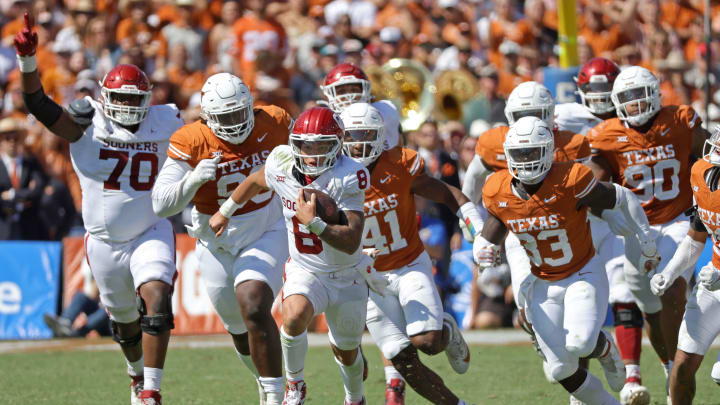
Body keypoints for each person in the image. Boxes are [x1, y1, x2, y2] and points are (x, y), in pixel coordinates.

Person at [14, 14, 184, 405]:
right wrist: (28, 61)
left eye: (133, 99)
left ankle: (153, 391)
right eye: (119, 98)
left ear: (147, 101)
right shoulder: (85, 124)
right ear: (106, 99)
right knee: (124, 323)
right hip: (103, 240)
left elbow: (207, 132)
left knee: (157, 297)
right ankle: (136, 374)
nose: (126, 106)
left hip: (149, 229)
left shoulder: (166, 121)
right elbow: (37, 103)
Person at [475, 116, 657, 405]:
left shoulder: (571, 178)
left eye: (532, 152)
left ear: (548, 151)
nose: (525, 160)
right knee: (560, 368)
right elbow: (490, 231)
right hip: (542, 282)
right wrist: (481, 248)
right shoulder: (498, 190)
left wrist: (643, 233)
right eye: (519, 154)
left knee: (581, 343)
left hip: (581, 273)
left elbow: (620, 196)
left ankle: (606, 348)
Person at [209, 107, 374, 405]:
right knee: (294, 317)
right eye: (306, 145)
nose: (312, 153)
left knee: (347, 352)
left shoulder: (350, 175)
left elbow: (351, 241)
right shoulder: (281, 161)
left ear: (337, 145)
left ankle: (355, 398)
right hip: (305, 268)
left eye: (322, 145)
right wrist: (225, 211)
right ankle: (294, 386)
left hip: (347, 274)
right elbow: (256, 180)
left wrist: (314, 222)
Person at [151, 72, 292, 405]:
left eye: (239, 113)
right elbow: (161, 204)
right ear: (206, 117)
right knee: (239, 330)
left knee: (255, 302)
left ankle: (276, 397)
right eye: (225, 117)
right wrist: (193, 181)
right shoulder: (191, 139)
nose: (234, 123)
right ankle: (265, 381)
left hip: (265, 227)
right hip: (214, 241)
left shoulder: (273, 121)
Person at [586, 66, 712, 401]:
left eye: (640, 94)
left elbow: (709, 159)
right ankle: (671, 364)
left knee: (671, 291)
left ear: (656, 93)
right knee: (651, 309)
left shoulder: (680, 119)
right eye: (627, 97)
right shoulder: (606, 135)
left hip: (679, 220)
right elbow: (595, 186)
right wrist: (600, 206)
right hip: (636, 228)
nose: (635, 103)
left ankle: (678, 376)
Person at [340, 102, 478, 405]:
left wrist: (474, 226)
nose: (359, 143)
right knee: (401, 359)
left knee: (427, 342)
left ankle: (446, 329)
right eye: (352, 136)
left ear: (382, 136)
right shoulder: (332, 175)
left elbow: (445, 193)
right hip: (369, 277)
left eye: (367, 135)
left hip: (408, 264)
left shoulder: (400, 163)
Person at [557, 58, 651, 405]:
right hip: (568, 219)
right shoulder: (562, 115)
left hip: (608, 215)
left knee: (624, 290)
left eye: (605, 90)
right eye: (592, 90)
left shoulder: (630, 114)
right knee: (573, 302)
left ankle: (632, 375)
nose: (599, 98)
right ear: (579, 89)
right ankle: (582, 387)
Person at [650, 128, 720, 404]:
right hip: (714, 281)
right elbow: (696, 236)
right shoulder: (701, 172)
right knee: (681, 366)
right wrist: (669, 272)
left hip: (716, 277)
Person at [320, 62, 401, 149]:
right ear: (329, 94)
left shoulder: (385, 111)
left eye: (354, 90)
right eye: (341, 91)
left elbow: (400, 150)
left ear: (366, 90)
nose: (349, 96)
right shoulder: (324, 123)